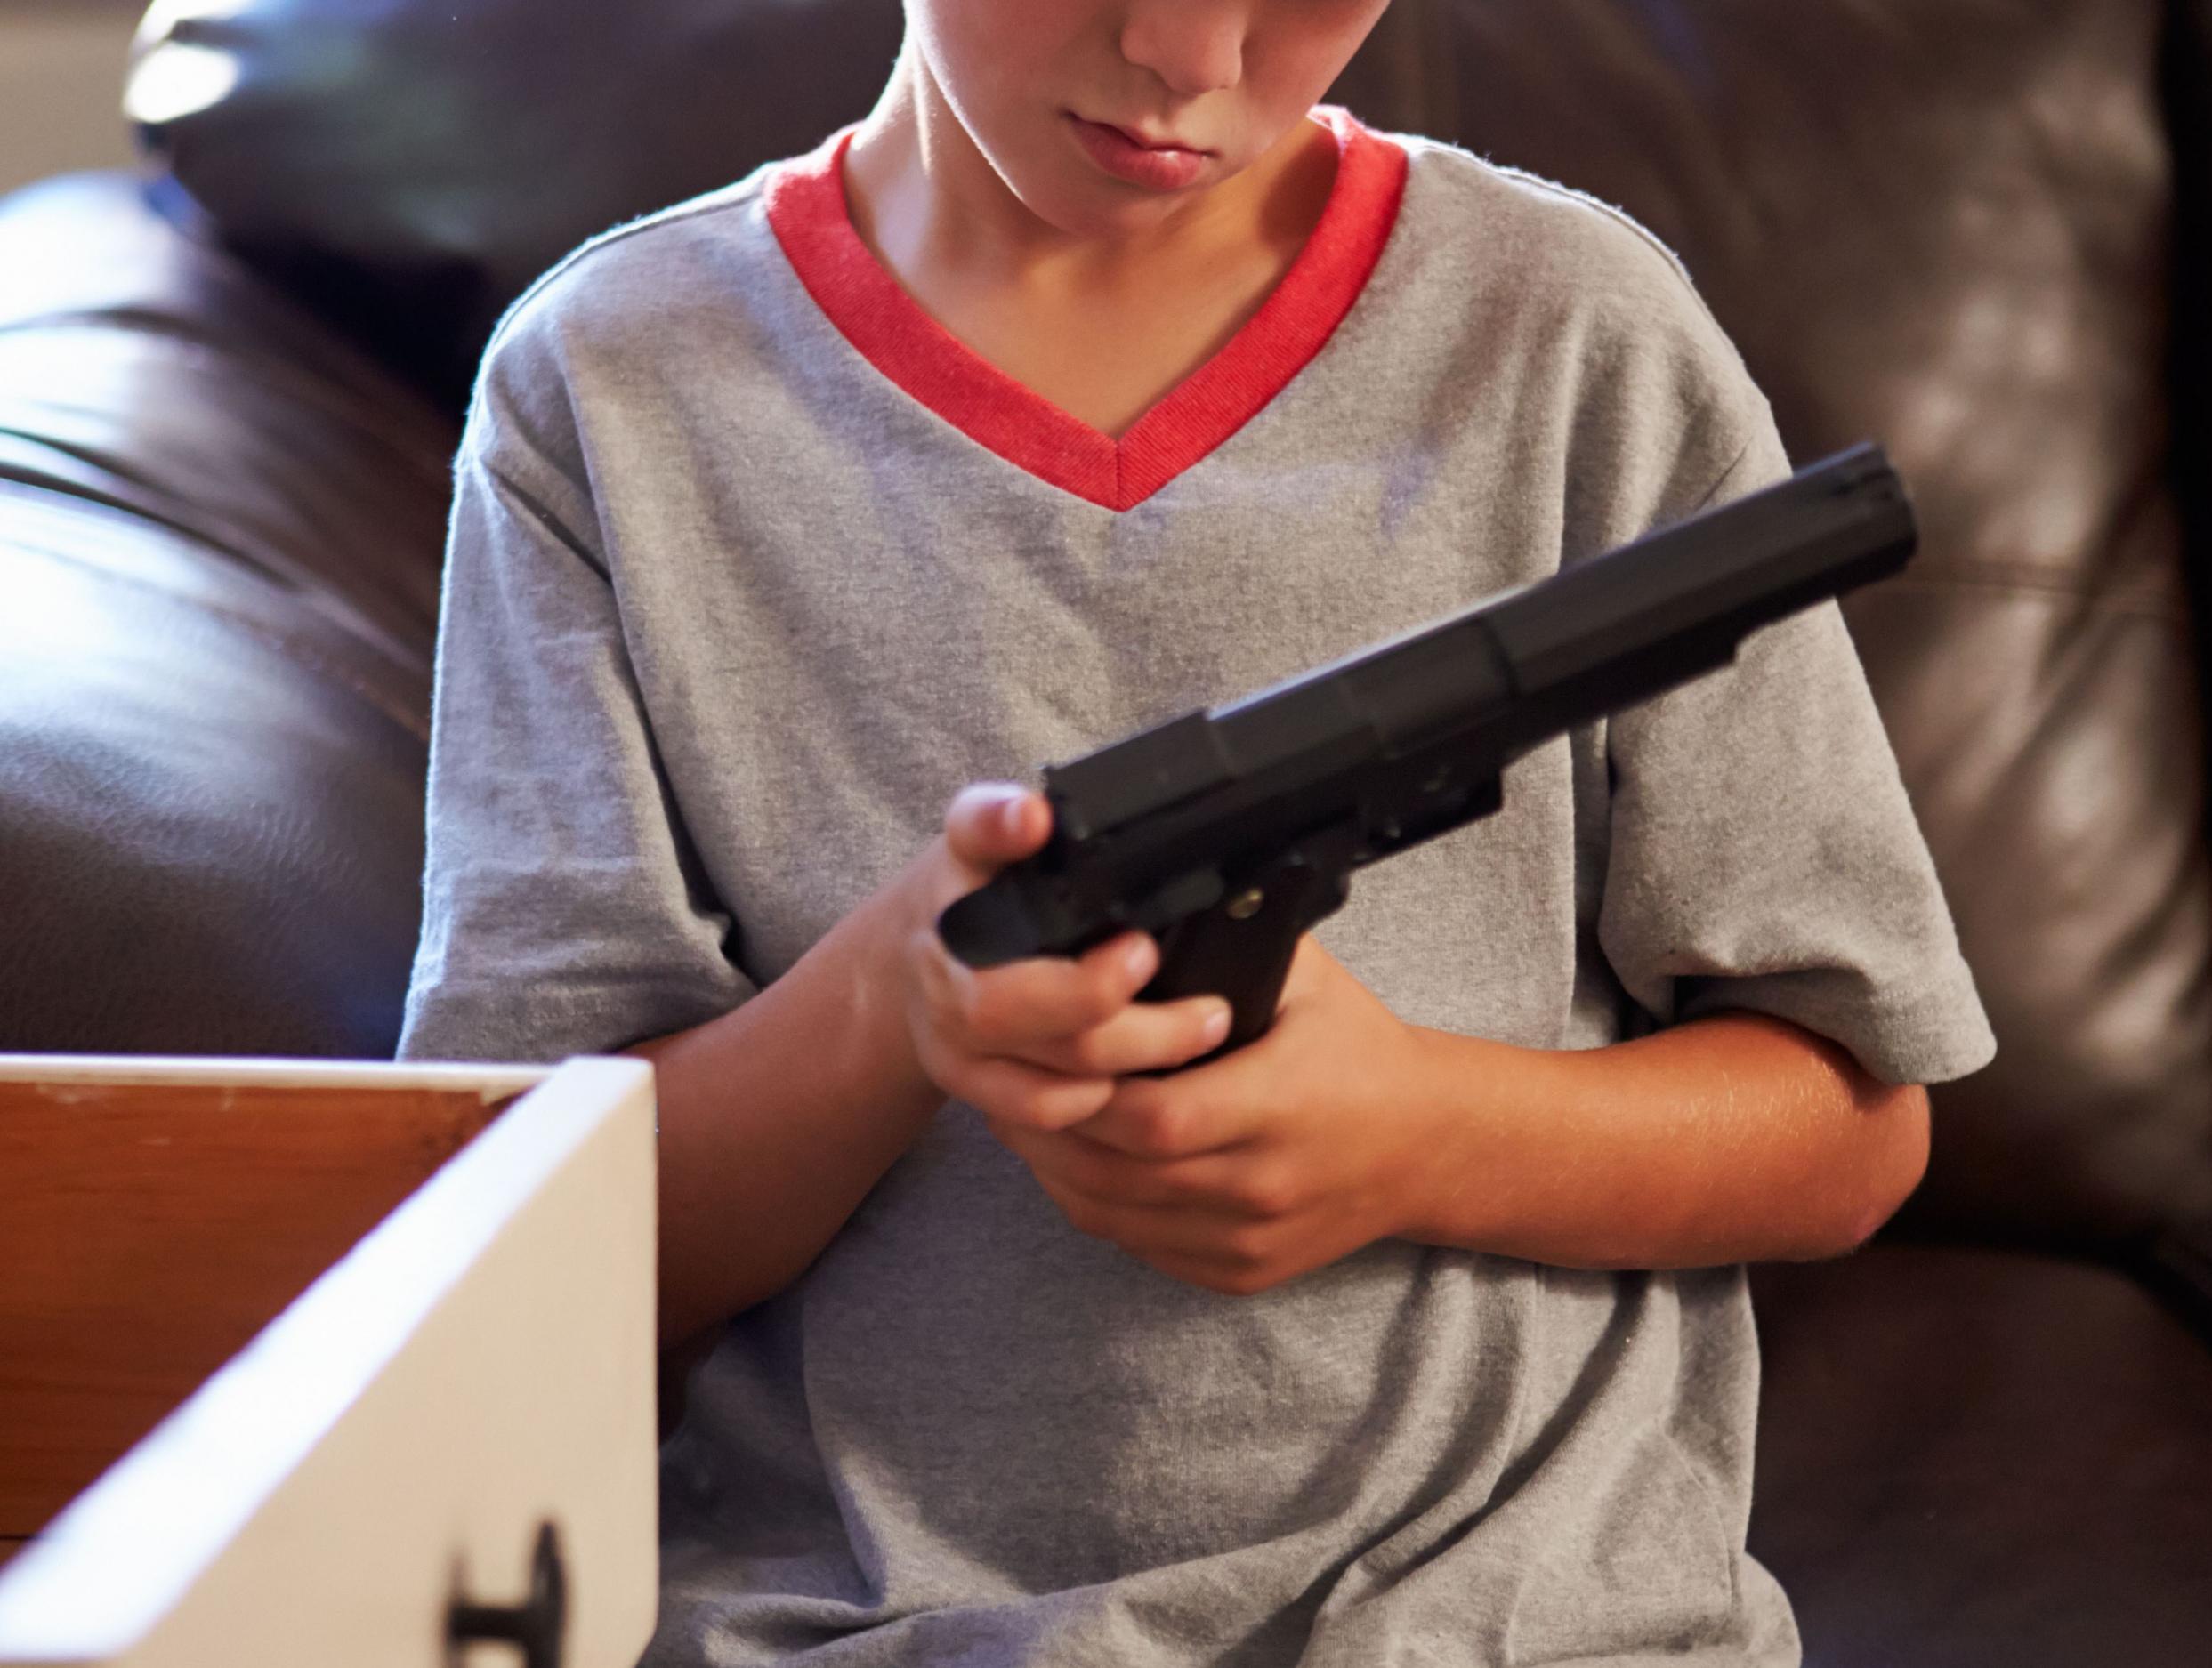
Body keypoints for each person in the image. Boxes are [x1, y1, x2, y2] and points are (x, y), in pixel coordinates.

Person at [397, 1, 1996, 1662]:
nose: (1192, 55)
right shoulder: (607, 385)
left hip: (1536, 1626)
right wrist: (907, 995)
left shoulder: (1576, 329)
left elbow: (1858, 1120)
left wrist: (1418, 1136)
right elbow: (519, 1250)